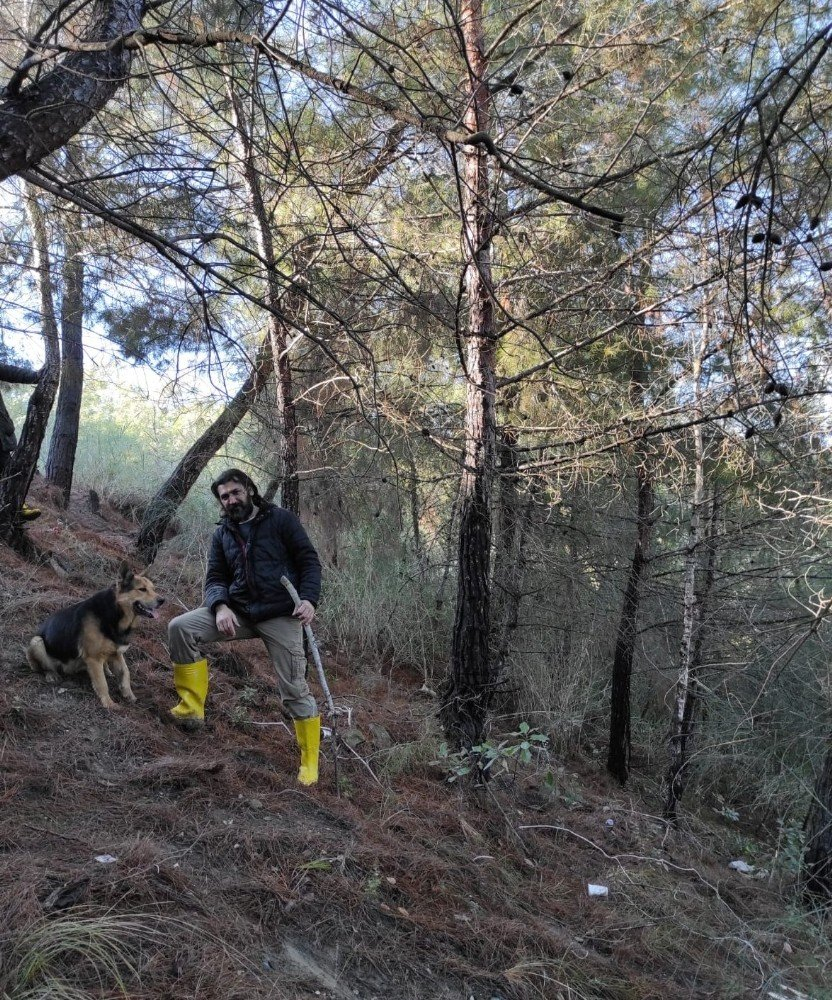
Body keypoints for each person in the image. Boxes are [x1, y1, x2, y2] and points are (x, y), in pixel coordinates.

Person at [167, 468, 323, 785]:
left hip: (280, 613)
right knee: (180, 628)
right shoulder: (223, 533)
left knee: (294, 687)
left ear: (249, 489)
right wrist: (221, 605)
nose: (231, 499)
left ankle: (309, 762)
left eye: (236, 492)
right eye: (225, 496)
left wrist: (308, 600)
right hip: (238, 610)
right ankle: (191, 708)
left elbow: (309, 561)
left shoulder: (281, 520)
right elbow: (215, 579)